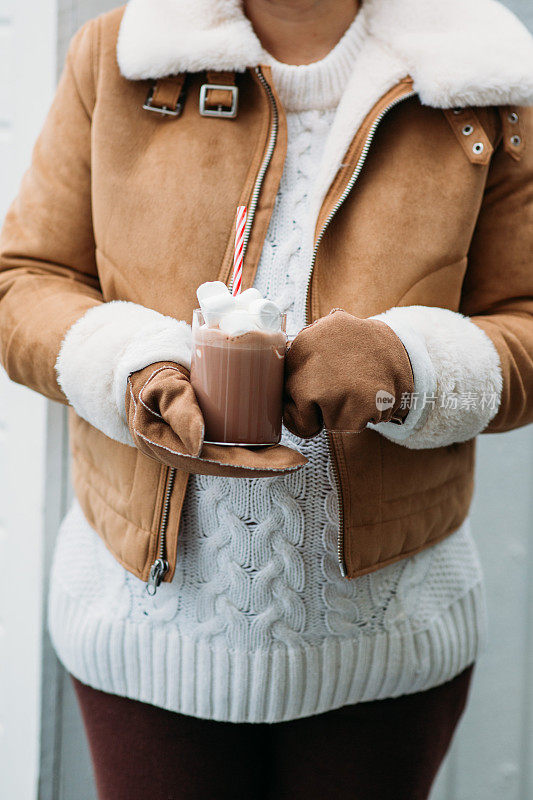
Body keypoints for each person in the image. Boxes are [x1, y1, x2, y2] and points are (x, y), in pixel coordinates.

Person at [1, 0, 532, 797]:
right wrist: (134, 369)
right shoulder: (122, 55)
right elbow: (25, 282)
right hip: (146, 635)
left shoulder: (479, 69)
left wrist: (405, 362)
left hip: (385, 645)